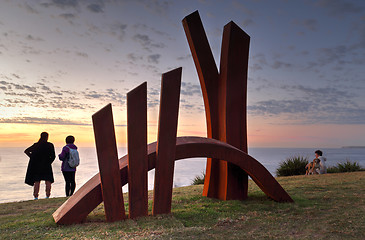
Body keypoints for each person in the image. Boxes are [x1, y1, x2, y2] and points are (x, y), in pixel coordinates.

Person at [24, 132, 55, 199]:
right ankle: (47, 195)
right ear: (47, 137)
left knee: (37, 181)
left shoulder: (36, 145)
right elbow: (53, 156)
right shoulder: (50, 145)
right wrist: (49, 162)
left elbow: (26, 151)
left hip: (37, 165)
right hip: (47, 165)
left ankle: (35, 196)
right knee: (48, 180)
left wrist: (32, 158)